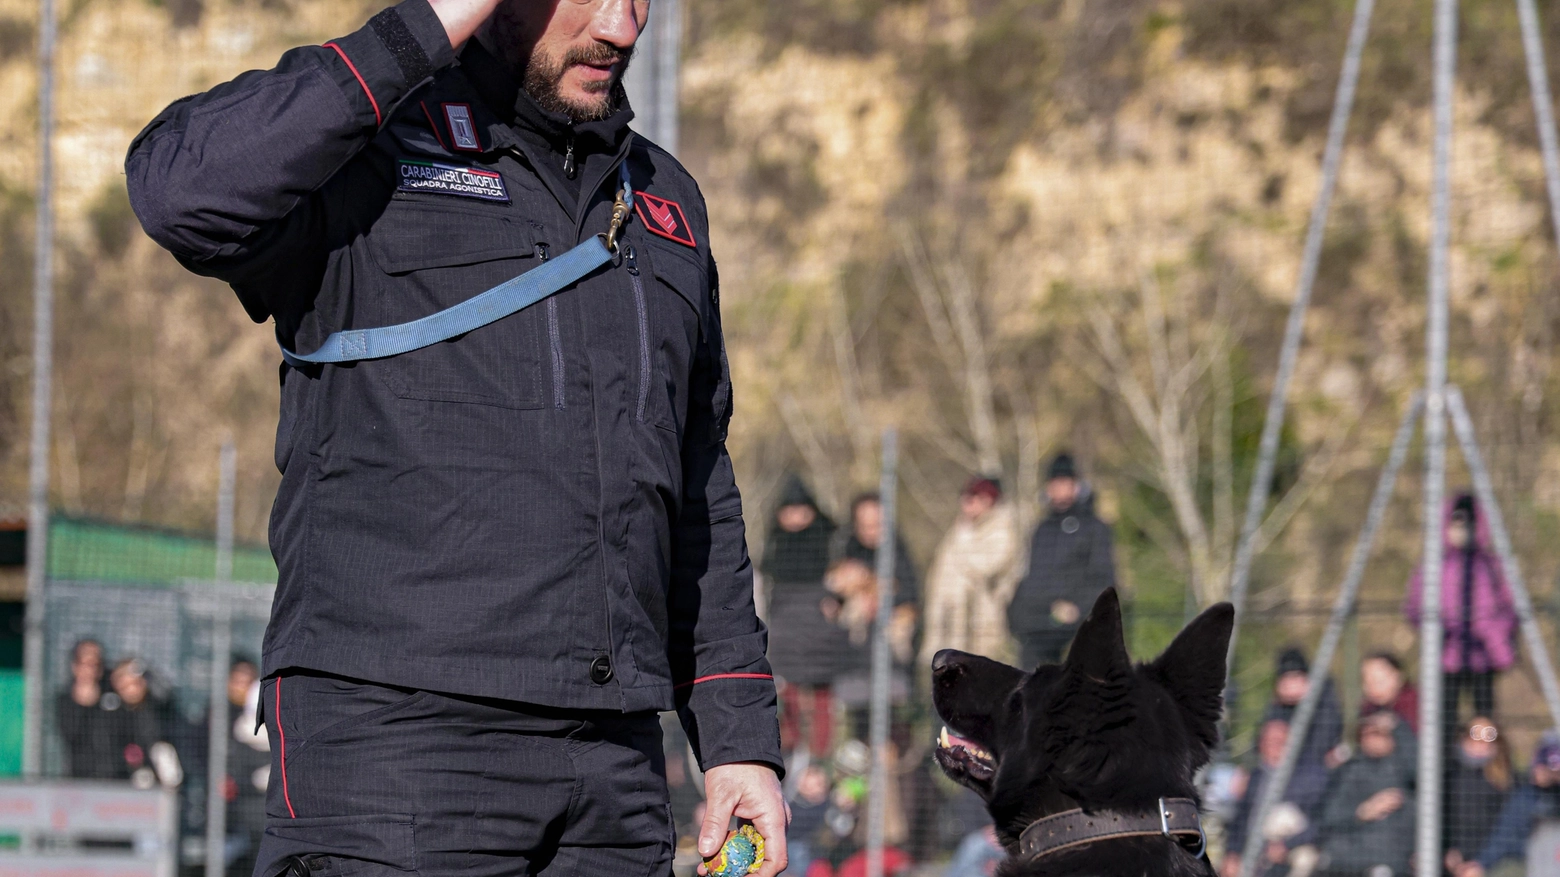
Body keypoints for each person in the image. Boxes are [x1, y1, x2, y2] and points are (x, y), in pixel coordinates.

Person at [124, 2, 788, 875]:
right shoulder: (366, 148)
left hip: (614, 767)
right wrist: (428, 25)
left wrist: (738, 738)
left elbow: (696, 484)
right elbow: (178, 190)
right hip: (393, 752)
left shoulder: (663, 199)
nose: (622, 30)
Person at [1405, 493, 1517, 729]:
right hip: (1447, 656)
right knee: (1444, 719)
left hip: (1483, 656)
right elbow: (1414, 607)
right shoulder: (1434, 566)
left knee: (1484, 720)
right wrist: (1437, 628)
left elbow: (1510, 607)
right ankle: (1444, 764)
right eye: (1456, 525)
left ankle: (1487, 761)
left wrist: (1493, 633)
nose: (1461, 531)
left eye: (1468, 525)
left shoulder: (1491, 565)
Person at [762, 475, 848, 757]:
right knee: (790, 697)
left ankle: (820, 756)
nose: (796, 518)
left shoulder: (831, 540)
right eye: (790, 511)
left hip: (820, 634)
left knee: (823, 698)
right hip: (785, 635)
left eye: (801, 510)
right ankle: (793, 753)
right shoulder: (774, 543)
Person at [1006, 453, 1116, 669]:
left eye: (1065, 482)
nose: (1059, 488)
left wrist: (1078, 609)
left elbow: (1103, 578)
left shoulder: (1094, 528)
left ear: (1076, 485)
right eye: (1054, 483)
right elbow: (1031, 578)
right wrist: (1014, 613)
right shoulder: (1041, 529)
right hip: (1038, 624)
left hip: (1076, 623)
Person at [920, 477, 1022, 668]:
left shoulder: (1001, 531)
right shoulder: (960, 530)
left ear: (988, 501)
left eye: (974, 498)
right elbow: (941, 572)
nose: (966, 504)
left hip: (982, 623)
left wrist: (964, 541)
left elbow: (986, 567)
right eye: (966, 497)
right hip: (950, 619)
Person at [1221, 718, 1327, 877]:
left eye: (1280, 741)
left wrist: (1286, 845)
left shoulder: (1311, 777)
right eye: (1268, 741)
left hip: (1294, 845)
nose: (1273, 746)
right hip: (1255, 846)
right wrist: (1232, 853)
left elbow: (1320, 821)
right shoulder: (1256, 777)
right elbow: (1240, 819)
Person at [1316, 711, 1416, 877]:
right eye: (1366, 734)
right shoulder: (1348, 771)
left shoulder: (1406, 773)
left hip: (1394, 857)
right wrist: (1362, 811)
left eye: (1379, 734)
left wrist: (1400, 729)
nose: (1372, 740)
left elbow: (1421, 768)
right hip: (1351, 855)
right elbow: (1328, 817)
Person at [1458, 732, 1560, 877]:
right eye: (1546, 768)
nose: (1548, 775)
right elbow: (1505, 836)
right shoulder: (1527, 796)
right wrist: (1481, 863)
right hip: (1529, 862)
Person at [1443, 716, 1513, 876]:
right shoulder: (1448, 773)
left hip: (1492, 863)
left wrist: (1481, 862)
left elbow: (1508, 827)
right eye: (1475, 734)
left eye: (1489, 735)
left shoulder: (1506, 780)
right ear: (1464, 737)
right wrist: (1448, 851)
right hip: (1451, 859)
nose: (1481, 742)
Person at [1263, 648, 1344, 775]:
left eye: (1294, 677)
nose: (1290, 684)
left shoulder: (1324, 696)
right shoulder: (1278, 706)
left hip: (1316, 767)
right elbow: (1263, 742)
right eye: (1286, 678)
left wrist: (1309, 697)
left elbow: (1326, 737)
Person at [55, 638, 121, 779]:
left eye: (96, 664)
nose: (91, 670)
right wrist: (83, 702)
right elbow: (70, 735)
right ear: (75, 666)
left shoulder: (114, 695)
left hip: (116, 779)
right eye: (86, 664)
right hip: (81, 779)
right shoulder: (65, 700)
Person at [1359, 652, 1418, 734]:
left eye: (1378, 681)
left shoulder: (1414, 703)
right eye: (1367, 682)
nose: (1372, 688)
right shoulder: (1369, 709)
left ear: (1398, 677)